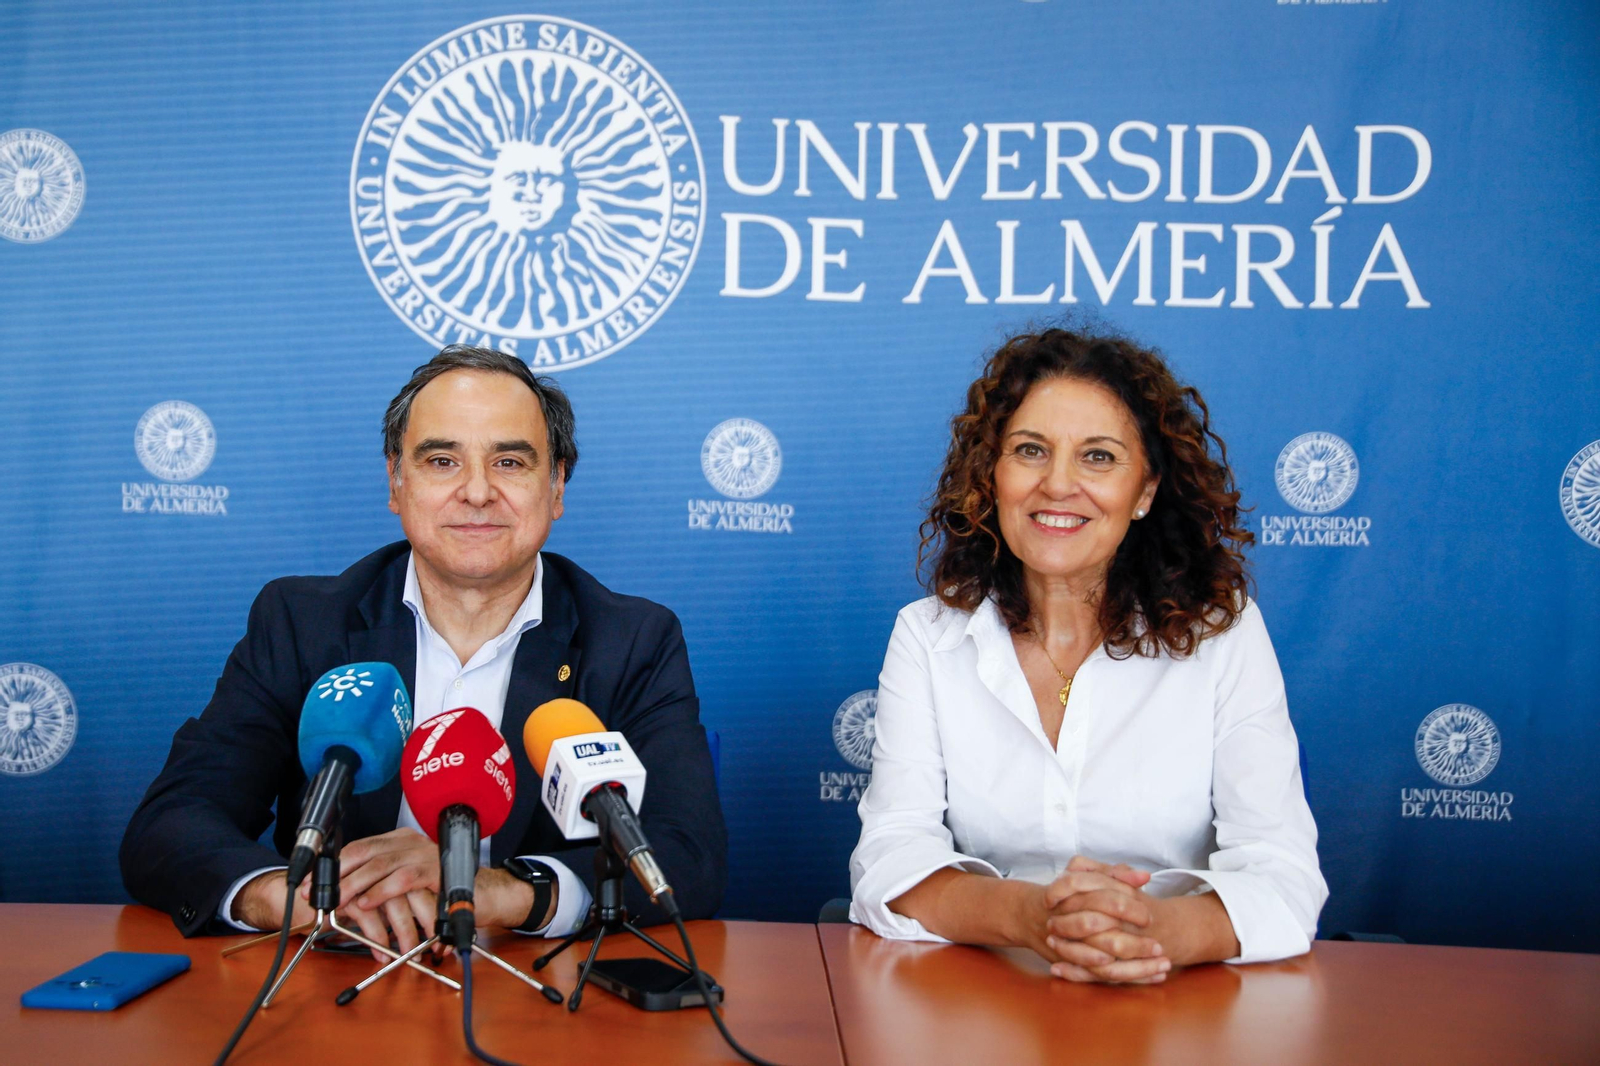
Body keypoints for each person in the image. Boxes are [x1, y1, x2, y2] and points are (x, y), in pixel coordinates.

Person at [120, 346, 726, 956]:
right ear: (396, 482)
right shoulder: (303, 624)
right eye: (442, 460)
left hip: (530, 992)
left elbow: (688, 855)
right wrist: (296, 897)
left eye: (510, 461)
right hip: (334, 981)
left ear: (557, 485)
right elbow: (173, 823)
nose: (478, 491)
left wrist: (495, 891)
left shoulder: (632, 641)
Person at [848, 326, 1326, 984]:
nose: (1058, 484)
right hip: (986, 1005)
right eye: (1030, 450)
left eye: (1098, 457)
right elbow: (890, 863)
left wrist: (1149, 932)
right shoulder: (928, 636)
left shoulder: (1224, 632)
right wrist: (1031, 918)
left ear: (1146, 491)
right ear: (992, 475)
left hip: (1178, 1006)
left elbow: (1283, 875)